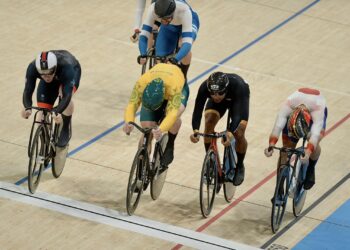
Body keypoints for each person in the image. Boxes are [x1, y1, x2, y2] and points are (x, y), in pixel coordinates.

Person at [123, 63, 189, 167]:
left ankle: (170, 144)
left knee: (175, 115)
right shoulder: (141, 83)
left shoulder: (174, 87)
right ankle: (142, 164)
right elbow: (132, 104)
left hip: (177, 84)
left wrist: (161, 129)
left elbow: (172, 115)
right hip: (157, 83)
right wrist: (128, 121)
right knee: (147, 127)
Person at [190, 72, 250, 186]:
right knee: (208, 123)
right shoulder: (205, 87)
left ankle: (240, 165)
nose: (216, 96)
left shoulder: (238, 86)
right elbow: (197, 109)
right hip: (220, 104)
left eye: (220, 93)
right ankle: (211, 162)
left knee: (239, 132)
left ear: (226, 89)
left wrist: (229, 132)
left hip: (239, 99)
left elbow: (237, 116)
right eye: (212, 93)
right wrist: (195, 131)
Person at [264, 88, 327, 191]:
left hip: (315, 110)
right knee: (286, 150)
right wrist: (271, 144)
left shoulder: (318, 109)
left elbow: (315, 135)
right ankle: (279, 187)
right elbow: (277, 127)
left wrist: (308, 152)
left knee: (313, 138)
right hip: (296, 110)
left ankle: (311, 169)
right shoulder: (288, 105)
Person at [21, 50, 81, 147]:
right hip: (55, 76)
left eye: (49, 73)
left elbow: (67, 95)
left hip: (72, 71)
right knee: (41, 115)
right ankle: (45, 144)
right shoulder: (32, 67)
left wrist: (58, 111)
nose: (46, 76)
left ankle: (65, 126)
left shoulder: (66, 67)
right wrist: (27, 107)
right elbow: (28, 90)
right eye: (43, 74)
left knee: (64, 94)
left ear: (55, 67)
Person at [138, 0, 200, 79]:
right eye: (161, 19)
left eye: (166, 18)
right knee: (159, 57)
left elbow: (187, 44)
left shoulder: (184, 10)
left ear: (172, 12)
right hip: (170, 25)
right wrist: (143, 54)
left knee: (182, 45)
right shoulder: (152, 9)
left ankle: (183, 77)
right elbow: (143, 36)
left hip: (190, 21)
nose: (163, 21)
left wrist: (175, 60)